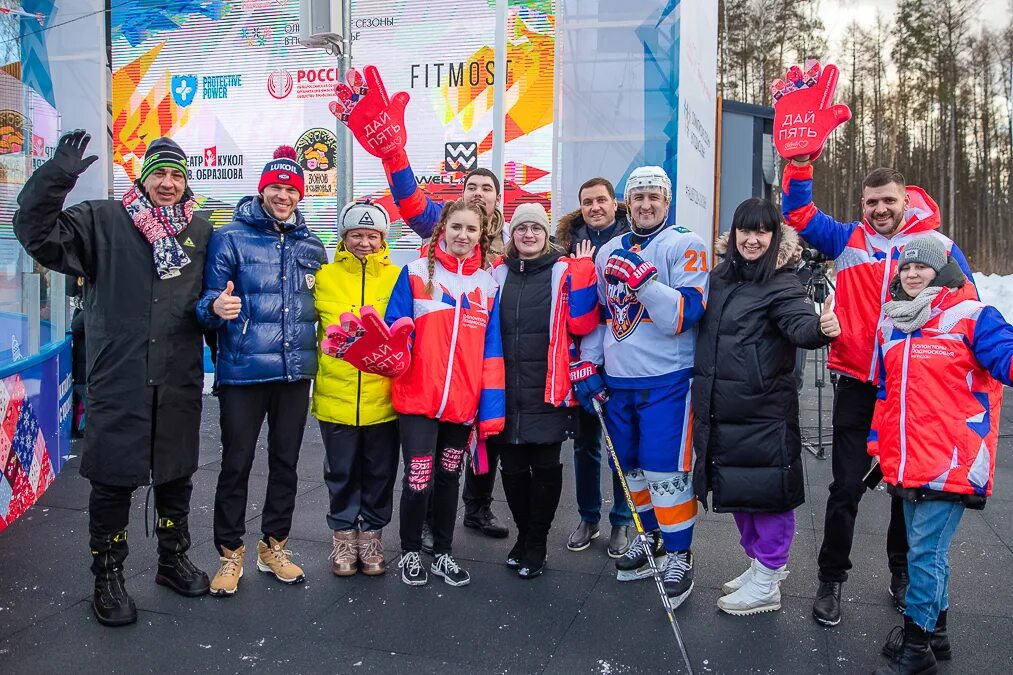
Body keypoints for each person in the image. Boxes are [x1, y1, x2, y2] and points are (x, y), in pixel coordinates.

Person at [13, 131, 212, 626]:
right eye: (159, 174)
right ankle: (108, 575)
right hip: (118, 375)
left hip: (176, 376)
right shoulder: (101, 220)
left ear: (186, 182)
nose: (168, 183)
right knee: (112, 481)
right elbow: (34, 231)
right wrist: (57, 177)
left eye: (176, 175)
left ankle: (172, 558)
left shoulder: (201, 231)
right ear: (143, 179)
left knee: (176, 475)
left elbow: (211, 297)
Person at [782, 157, 976, 626]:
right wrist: (801, 165)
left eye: (889, 200)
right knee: (845, 486)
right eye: (872, 202)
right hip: (855, 379)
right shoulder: (846, 239)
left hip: (911, 385)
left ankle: (902, 573)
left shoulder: (936, 246)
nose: (880, 209)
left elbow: (966, 306)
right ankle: (831, 580)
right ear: (862, 205)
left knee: (905, 487)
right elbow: (799, 213)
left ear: (906, 199)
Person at [868, 235, 1013, 675]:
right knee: (925, 550)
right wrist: (878, 446)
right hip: (909, 461)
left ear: (944, 270)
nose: (912, 273)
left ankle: (917, 649)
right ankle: (938, 633)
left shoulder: (972, 316)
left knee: (922, 556)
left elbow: (1006, 357)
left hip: (953, 460)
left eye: (922, 267)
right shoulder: (894, 324)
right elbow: (886, 394)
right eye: (906, 267)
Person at [692, 199, 840, 615]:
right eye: (745, 230)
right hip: (724, 408)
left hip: (762, 410)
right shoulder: (719, 278)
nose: (752, 239)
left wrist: (820, 328)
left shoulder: (782, 282)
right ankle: (759, 565)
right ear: (734, 233)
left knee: (769, 496)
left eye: (762, 232)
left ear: (775, 237)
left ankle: (769, 578)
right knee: (741, 493)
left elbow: (799, 324)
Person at [571, 166, 709, 609]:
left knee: (665, 472)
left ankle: (681, 555)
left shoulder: (686, 243)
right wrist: (587, 362)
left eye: (655, 196)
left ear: (667, 202)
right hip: (618, 380)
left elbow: (681, 317)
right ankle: (650, 540)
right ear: (628, 202)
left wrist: (645, 282)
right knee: (631, 471)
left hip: (667, 380)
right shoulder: (608, 248)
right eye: (640, 196)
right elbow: (601, 315)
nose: (647, 204)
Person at [196, 146, 327, 596]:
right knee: (236, 464)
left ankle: (274, 548)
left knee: (286, 464)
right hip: (243, 372)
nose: (283, 195)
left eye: (291, 189)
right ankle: (229, 554)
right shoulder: (229, 237)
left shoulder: (313, 244)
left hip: (294, 374)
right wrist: (215, 307)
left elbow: (321, 309)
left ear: (299, 194)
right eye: (276, 187)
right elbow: (206, 305)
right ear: (262, 190)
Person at [383, 199, 505, 587]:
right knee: (418, 480)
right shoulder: (416, 273)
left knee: (449, 478)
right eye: (456, 227)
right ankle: (410, 552)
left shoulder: (487, 285)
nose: (463, 236)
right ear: (443, 229)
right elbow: (394, 330)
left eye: (471, 229)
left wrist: (489, 409)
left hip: (461, 403)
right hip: (418, 399)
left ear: (480, 235)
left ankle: (443, 553)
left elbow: (492, 350)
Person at [488, 203, 598, 578]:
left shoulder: (564, 270)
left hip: (549, 389)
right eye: (522, 229)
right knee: (513, 469)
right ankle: (524, 535)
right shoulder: (496, 274)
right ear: (512, 235)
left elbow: (583, 324)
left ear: (546, 233)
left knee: (546, 468)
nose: (529, 234)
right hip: (505, 389)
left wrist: (584, 273)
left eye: (536, 228)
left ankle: (536, 541)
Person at [313, 200, 401, 577]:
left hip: (384, 397)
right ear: (344, 237)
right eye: (356, 234)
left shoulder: (399, 277)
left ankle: (372, 536)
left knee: (380, 471)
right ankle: (345, 537)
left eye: (372, 235)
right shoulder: (324, 276)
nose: (364, 242)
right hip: (337, 396)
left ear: (383, 238)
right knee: (341, 472)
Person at [554, 177, 634, 557]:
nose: (595, 207)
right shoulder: (565, 245)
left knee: (621, 443)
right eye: (588, 201)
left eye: (601, 200)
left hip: (623, 356)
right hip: (581, 358)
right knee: (586, 443)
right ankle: (589, 517)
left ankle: (621, 521)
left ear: (614, 202)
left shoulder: (634, 237)